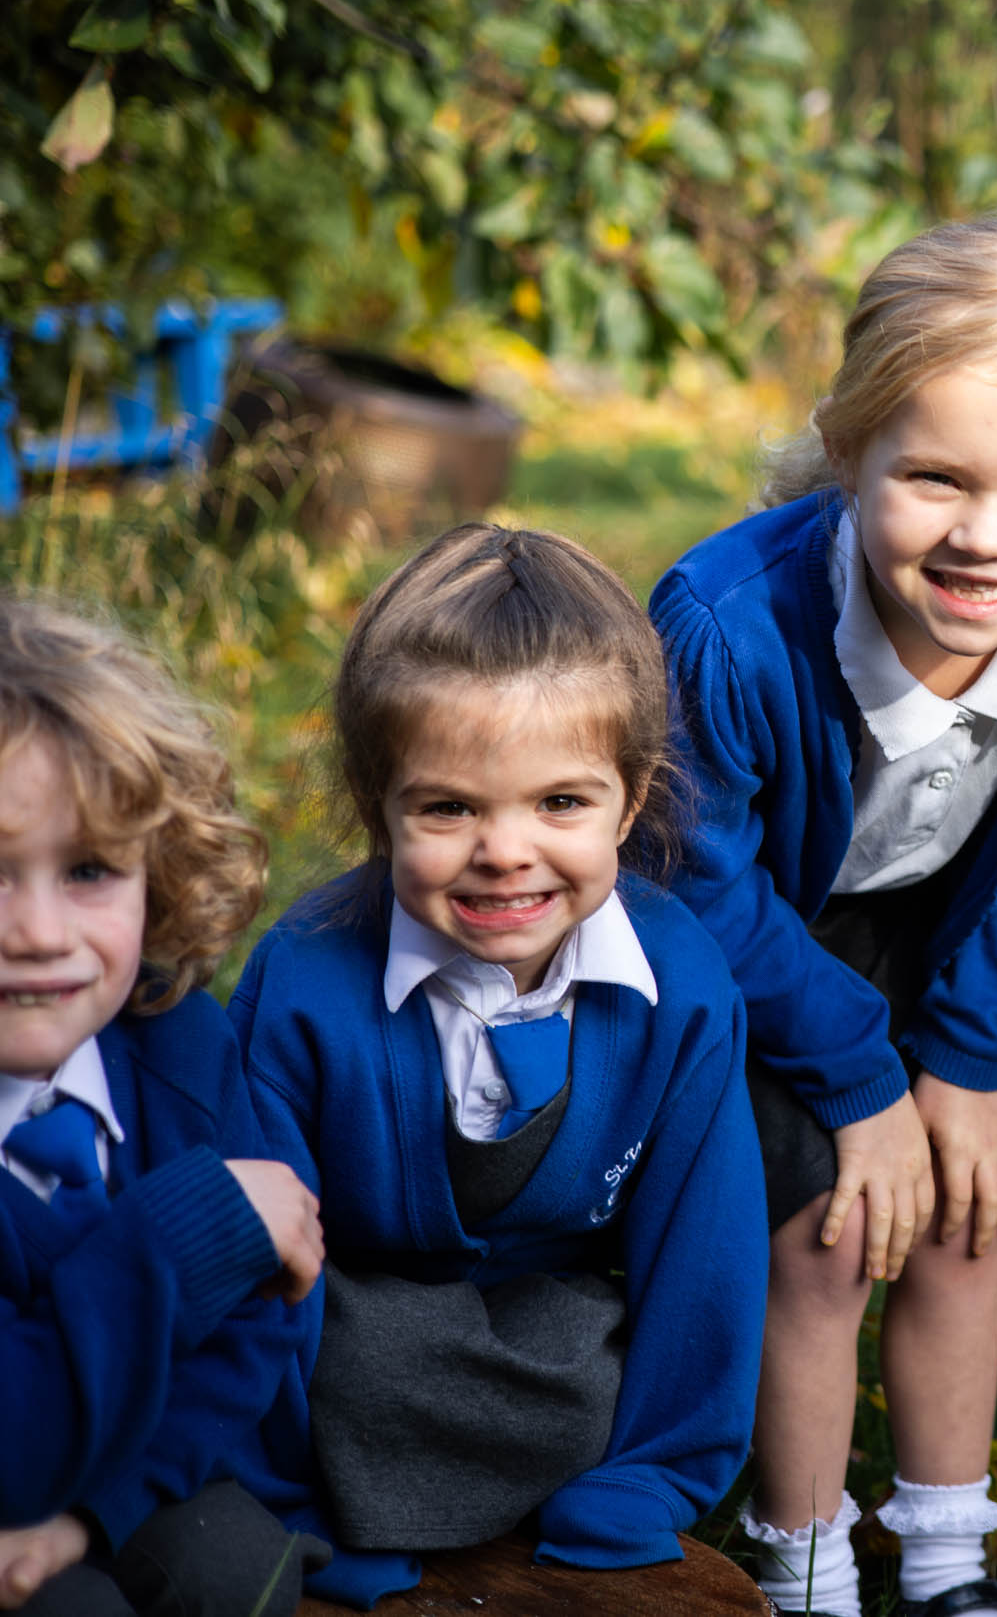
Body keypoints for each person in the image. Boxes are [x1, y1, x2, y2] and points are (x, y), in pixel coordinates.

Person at [649, 216, 997, 1617]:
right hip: (734, 950)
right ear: (847, 450)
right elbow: (698, 877)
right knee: (832, 1222)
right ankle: (805, 1566)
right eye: (935, 476)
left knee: (959, 1210)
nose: (985, 537)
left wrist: (964, 1057)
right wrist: (862, 1081)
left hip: (926, 930)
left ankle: (948, 1565)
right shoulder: (727, 626)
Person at [230, 527, 763, 1609]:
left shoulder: (682, 985)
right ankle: (348, 1502)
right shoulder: (303, 978)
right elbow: (261, 1258)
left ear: (631, 796)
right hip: (354, 1337)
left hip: (551, 1347)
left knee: (583, 1362)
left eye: (561, 803)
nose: (505, 851)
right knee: (350, 1353)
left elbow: (704, 1250)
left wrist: (656, 1473)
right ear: (377, 801)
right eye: (448, 807)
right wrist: (291, 1498)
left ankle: (560, 1485)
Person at [0, 595, 329, 1617]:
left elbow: (262, 1323)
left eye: (90, 870)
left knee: (237, 1572)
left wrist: (92, 1516)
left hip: (124, 1467)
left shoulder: (174, 1042)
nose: (38, 931)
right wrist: (181, 1235)